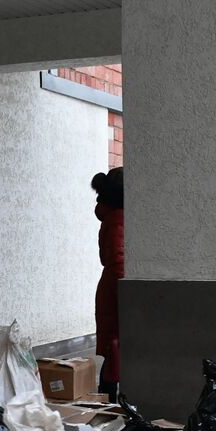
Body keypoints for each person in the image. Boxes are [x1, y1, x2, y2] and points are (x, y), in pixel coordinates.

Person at [91, 167, 124, 402]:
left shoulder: (114, 217)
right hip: (117, 288)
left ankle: (108, 398)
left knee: (110, 345)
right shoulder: (119, 218)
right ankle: (109, 400)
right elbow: (119, 259)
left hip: (112, 287)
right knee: (113, 346)